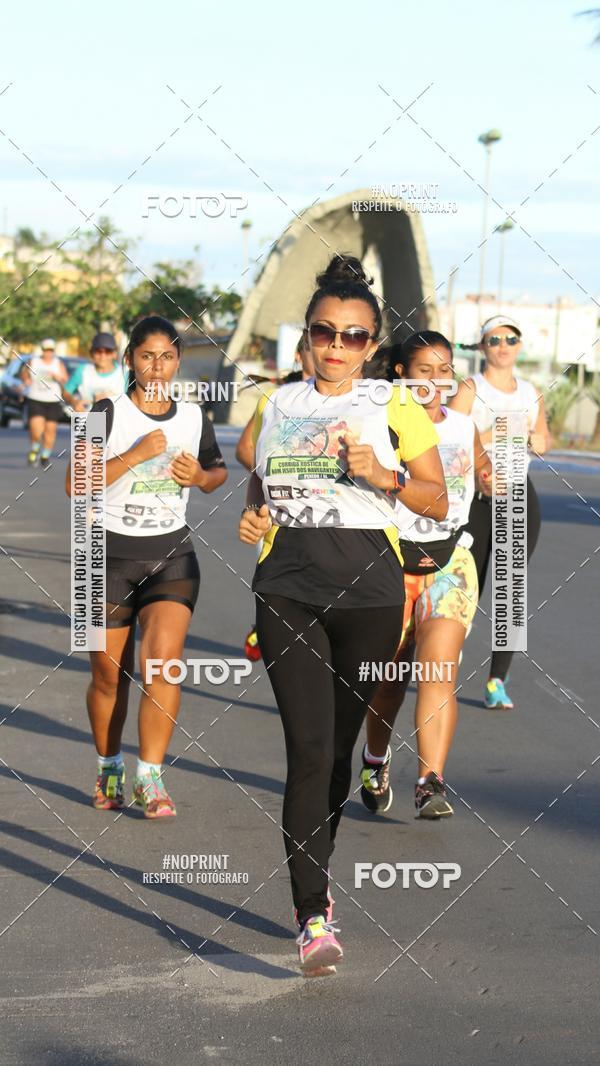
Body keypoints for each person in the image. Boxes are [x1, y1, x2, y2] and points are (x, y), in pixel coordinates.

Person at [238, 255, 448, 976]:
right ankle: (313, 916)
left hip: (370, 594)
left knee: (335, 758)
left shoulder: (394, 406)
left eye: (353, 336)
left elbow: (435, 499)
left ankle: (316, 878)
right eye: (325, 332)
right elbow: (253, 468)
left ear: (371, 344)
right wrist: (254, 512)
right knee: (307, 749)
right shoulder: (276, 404)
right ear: (307, 337)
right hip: (287, 584)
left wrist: (382, 475)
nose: (336, 346)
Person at [64, 315, 227, 818]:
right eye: (146, 356)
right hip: (102, 556)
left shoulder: (195, 417)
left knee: (163, 663)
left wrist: (200, 477)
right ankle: (109, 765)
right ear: (131, 359)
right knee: (109, 677)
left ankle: (150, 779)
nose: (157, 366)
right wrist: (134, 456)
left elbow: (217, 471)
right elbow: (75, 483)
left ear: (178, 361)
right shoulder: (103, 411)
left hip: (170, 555)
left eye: (167, 356)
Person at [360, 331, 492, 819]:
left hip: (450, 560)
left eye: (445, 371)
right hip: (391, 560)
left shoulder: (462, 425)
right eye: (424, 372)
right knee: (390, 677)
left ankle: (429, 780)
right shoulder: (380, 426)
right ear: (402, 374)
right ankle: (375, 758)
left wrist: (487, 475)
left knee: (438, 668)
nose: (436, 382)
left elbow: (480, 465)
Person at [449, 316, 550, 709]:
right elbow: (451, 441)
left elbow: (542, 442)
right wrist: (496, 433)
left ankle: (496, 682)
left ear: (519, 346)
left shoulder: (530, 391)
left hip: (518, 497)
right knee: (465, 588)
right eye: (494, 339)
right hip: (474, 498)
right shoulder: (470, 389)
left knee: (510, 593)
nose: (503, 345)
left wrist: (538, 439)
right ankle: (445, 664)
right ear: (482, 347)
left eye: (511, 338)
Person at [235, 336, 315, 661]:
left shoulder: (359, 400)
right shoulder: (280, 397)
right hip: (282, 520)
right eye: (314, 346)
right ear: (299, 355)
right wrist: (274, 481)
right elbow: (245, 449)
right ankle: (267, 627)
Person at [21, 338, 68, 466]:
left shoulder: (58, 364)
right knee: (36, 430)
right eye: (46, 350)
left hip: (52, 400)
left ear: (53, 351)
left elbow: (65, 379)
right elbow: (24, 373)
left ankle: (45, 456)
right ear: (42, 350)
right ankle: (35, 448)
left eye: (50, 350)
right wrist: (26, 380)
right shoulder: (34, 361)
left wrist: (59, 378)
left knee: (50, 431)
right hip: (36, 398)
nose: (48, 353)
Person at [63, 332, 125, 412]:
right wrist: (74, 402)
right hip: (87, 417)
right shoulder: (83, 370)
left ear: (114, 354)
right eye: (98, 351)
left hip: (116, 419)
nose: (103, 356)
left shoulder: (124, 373)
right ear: (92, 353)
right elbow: (66, 393)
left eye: (108, 351)